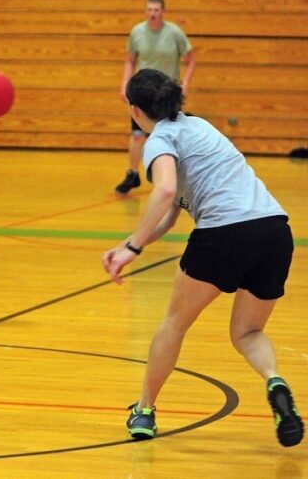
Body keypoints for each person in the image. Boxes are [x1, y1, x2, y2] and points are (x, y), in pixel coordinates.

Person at [103, 68, 302, 447]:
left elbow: (163, 192)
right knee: (247, 331)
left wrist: (130, 248)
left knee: (174, 325)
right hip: (275, 230)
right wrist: (137, 240)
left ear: (134, 109)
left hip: (224, 233)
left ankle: (144, 410)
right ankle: (275, 380)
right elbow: (173, 210)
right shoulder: (200, 127)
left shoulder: (159, 140)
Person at [115, 0, 195, 194]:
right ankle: (132, 174)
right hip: (144, 92)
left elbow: (191, 59)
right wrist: (125, 83)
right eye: (149, 10)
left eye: (156, 10)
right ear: (145, 12)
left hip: (167, 93)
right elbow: (130, 60)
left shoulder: (175, 33)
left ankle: (175, 175)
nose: (152, 14)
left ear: (163, 12)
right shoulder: (137, 32)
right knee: (137, 134)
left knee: (169, 134)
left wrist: (185, 83)